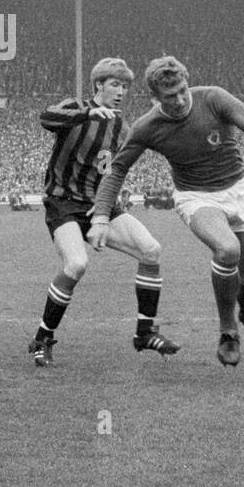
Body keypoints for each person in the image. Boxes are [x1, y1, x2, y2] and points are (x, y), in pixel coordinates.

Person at [88, 56, 244, 368]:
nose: (179, 100)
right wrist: (100, 217)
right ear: (154, 98)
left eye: (182, 91)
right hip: (196, 197)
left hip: (241, 189)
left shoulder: (214, 98)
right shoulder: (147, 127)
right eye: (169, 96)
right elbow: (117, 169)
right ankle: (228, 332)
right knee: (228, 249)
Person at [29, 58, 178, 368]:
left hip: (101, 205)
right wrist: (85, 113)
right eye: (115, 84)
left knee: (151, 250)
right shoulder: (76, 107)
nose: (121, 91)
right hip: (64, 202)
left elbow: (114, 172)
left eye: (125, 86)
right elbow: (46, 117)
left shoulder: (122, 128)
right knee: (77, 263)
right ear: (98, 85)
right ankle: (42, 338)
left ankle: (145, 332)